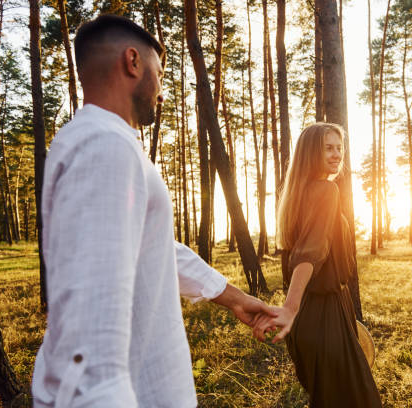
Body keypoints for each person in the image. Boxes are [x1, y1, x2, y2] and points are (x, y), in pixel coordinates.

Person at [32, 15, 274, 408]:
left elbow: (155, 245)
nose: (161, 91)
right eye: (159, 73)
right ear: (133, 62)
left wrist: (232, 298)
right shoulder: (104, 147)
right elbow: (92, 333)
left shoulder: (103, 142)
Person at [253, 123, 382, 407]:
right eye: (328, 148)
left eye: (340, 148)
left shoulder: (300, 193)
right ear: (312, 152)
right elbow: (309, 255)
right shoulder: (325, 190)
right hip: (324, 313)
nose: (337, 154)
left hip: (314, 317)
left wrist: (295, 312)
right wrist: (289, 308)